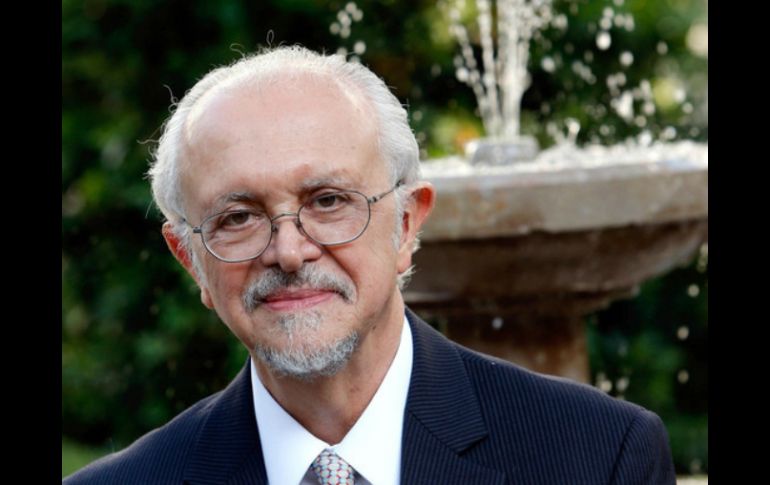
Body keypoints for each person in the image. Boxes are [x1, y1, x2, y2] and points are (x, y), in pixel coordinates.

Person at [64, 46, 676, 484]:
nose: (289, 252)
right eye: (239, 217)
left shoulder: (598, 457)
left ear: (406, 223)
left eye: (328, 202)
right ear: (190, 260)